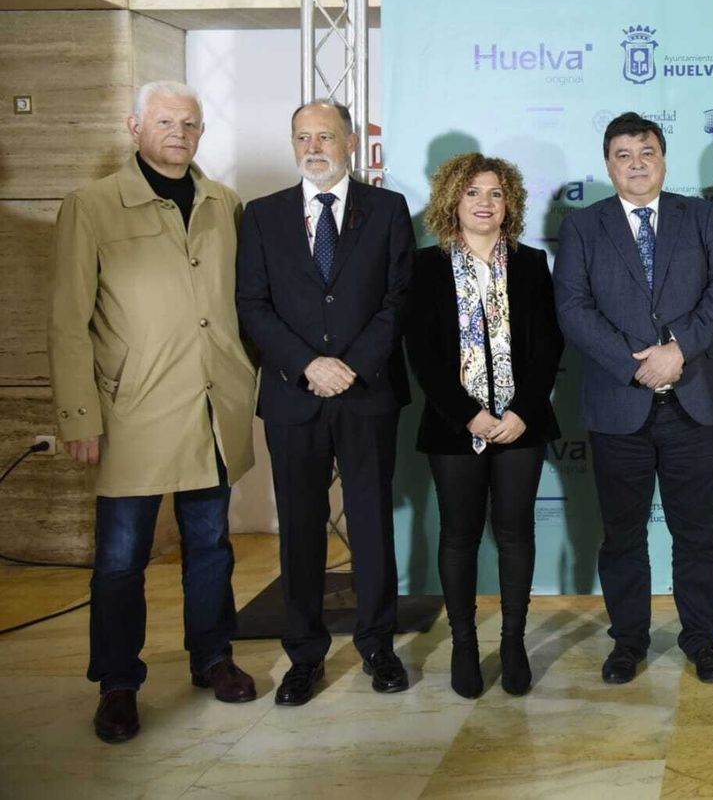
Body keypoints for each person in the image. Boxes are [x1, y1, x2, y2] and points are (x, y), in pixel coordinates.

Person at [48, 80, 261, 743]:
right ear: (134, 126)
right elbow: (67, 320)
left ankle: (213, 657)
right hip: (132, 409)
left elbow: (247, 301)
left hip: (212, 406)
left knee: (211, 546)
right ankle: (118, 683)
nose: (179, 133)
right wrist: (79, 415)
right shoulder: (91, 205)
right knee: (120, 559)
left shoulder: (225, 203)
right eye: (165, 121)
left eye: (190, 123)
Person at [235, 98, 416, 706]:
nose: (314, 148)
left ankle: (378, 646)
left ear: (350, 142)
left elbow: (398, 299)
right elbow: (252, 303)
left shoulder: (388, 210)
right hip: (295, 395)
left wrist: (351, 366)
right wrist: (309, 364)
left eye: (326, 136)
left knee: (371, 525)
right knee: (300, 530)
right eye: (303, 137)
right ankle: (304, 656)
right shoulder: (262, 216)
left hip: (366, 393)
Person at [552, 112, 713, 685]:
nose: (636, 164)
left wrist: (678, 350)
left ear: (663, 159)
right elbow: (573, 307)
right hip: (619, 405)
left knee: (696, 535)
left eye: (646, 152)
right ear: (608, 164)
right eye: (623, 155)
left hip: (693, 403)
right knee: (622, 537)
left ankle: (702, 640)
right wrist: (635, 364)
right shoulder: (583, 226)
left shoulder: (702, 217)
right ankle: (628, 642)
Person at [403, 154, 562, 698]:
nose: (485, 202)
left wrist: (522, 412)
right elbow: (423, 355)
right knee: (459, 536)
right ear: (453, 200)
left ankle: (513, 643)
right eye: (472, 192)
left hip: (522, 426)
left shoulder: (531, 263)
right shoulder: (425, 267)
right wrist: (470, 414)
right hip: (453, 427)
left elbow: (549, 346)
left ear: (509, 202)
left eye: (495, 193)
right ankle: (464, 645)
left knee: (516, 534)